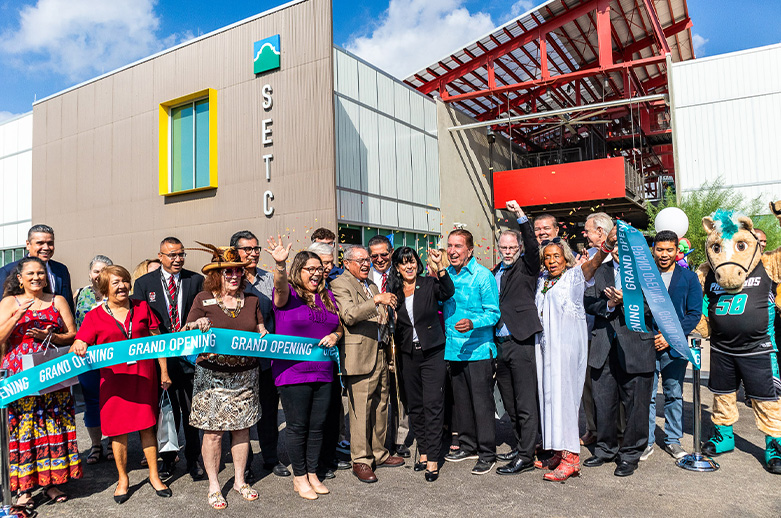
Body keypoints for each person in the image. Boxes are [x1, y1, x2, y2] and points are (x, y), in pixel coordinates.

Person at [70, 265, 172, 503]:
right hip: (114, 382)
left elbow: (160, 342)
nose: (122, 286)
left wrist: (164, 371)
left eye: (124, 281)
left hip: (144, 377)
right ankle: (123, 479)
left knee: (148, 427)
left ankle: (154, 476)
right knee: (118, 432)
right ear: (105, 288)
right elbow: (81, 339)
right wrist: (79, 344)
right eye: (115, 282)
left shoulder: (142, 307)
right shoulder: (94, 316)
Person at [184, 244, 268, 509]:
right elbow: (186, 329)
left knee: (242, 431)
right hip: (212, 378)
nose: (234, 276)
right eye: (227, 272)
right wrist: (197, 325)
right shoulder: (202, 299)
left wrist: (263, 335)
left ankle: (241, 481)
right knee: (214, 434)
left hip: (245, 378)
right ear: (216, 276)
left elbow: (261, 330)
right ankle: (214, 485)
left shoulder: (252, 301)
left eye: (238, 271)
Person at [266, 237, 343, 499]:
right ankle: (300, 478)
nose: (316, 273)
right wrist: (280, 265)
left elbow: (338, 325)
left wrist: (336, 336)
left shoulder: (327, 295)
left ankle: (312, 473)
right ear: (298, 270)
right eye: (310, 268)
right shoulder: (288, 293)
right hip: (293, 372)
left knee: (317, 425)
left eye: (319, 269)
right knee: (298, 426)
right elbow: (279, 287)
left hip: (323, 370)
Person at [534, 232, 615, 482]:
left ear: (566, 258)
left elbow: (592, 264)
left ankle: (572, 459)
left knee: (566, 402)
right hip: (546, 351)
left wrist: (606, 246)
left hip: (567, 352)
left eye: (556, 256)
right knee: (549, 400)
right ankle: (558, 451)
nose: (551, 261)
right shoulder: (543, 281)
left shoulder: (574, 277)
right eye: (547, 257)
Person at [0, 257, 81, 507]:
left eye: (41, 273)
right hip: (19, 376)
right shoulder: (9, 302)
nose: (37, 277)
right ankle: (23, 489)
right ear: (20, 279)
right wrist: (17, 315)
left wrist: (52, 336)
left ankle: (51, 483)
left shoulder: (58, 300)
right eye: (31, 273)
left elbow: (74, 334)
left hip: (51, 371)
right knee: (25, 429)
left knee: (53, 425)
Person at [131, 237, 205, 480]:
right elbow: (140, 321)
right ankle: (168, 458)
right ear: (160, 256)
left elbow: (204, 310)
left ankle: (194, 459)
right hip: (160, 358)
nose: (178, 259)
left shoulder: (195, 280)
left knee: (191, 410)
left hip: (189, 356)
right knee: (166, 411)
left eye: (181, 254)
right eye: (172, 255)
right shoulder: (144, 283)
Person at [584, 232, 656, 477]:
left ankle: (630, 454)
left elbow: (654, 306)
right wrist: (609, 305)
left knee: (636, 406)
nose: (618, 250)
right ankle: (605, 449)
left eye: (623, 247)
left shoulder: (646, 272)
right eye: (615, 246)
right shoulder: (600, 271)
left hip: (636, 347)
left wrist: (627, 301)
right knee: (603, 402)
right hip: (604, 347)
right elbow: (588, 301)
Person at [331, 245, 405, 483]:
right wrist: (376, 300)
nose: (366, 264)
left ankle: (380, 453)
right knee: (360, 409)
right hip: (359, 355)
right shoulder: (340, 284)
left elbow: (377, 314)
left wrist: (386, 312)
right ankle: (361, 460)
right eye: (361, 260)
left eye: (367, 260)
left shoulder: (371, 284)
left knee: (381, 405)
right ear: (347, 263)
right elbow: (349, 315)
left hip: (381, 352)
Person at [388, 246, 454, 482]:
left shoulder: (428, 284)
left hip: (432, 352)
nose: (409, 266)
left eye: (412, 261)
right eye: (404, 263)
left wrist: (441, 267)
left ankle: (434, 459)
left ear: (418, 263)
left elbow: (448, 292)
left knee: (433, 405)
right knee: (415, 406)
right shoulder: (393, 290)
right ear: (397, 267)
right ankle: (424, 451)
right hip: (407, 354)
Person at [231, 230, 291, 479]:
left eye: (256, 249)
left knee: (267, 411)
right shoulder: (228, 278)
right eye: (247, 249)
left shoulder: (269, 278)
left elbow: (280, 301)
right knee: (239, 413)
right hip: (237, 360)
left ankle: (270, 457)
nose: (253, 253)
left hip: (266, 358)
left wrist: (280, 265)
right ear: (234, 251)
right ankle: (242, 464)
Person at [640, 231, 703, 461]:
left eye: (669, 250)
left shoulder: (689, 278)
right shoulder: (644, 276)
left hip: (674, 346)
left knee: (674, 394)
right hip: (647, 344)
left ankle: (673, 440)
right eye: (659, 249)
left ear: (677, 251)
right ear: (653, 250)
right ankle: (646, 442)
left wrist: (669, 335)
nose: (664, 254)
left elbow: (694, 314)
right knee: (647, 396)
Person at [442, 229, 501, 475]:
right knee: (462, 403)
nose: (452, 251)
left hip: (478, 350)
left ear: (470, 250)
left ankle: (487, 452)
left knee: (482, 404)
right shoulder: (447, 277)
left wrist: (473, 323)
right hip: (454, 350)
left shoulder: (483, 276)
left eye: (458, 246)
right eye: (450, 246)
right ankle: (467, 445)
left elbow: (494, 313)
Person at [492, 201, 541, 475]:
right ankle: (524, 444)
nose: (508, 252)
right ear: (499, 248)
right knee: (509, 403)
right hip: (500, 345)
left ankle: (526, 456)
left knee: (524, 402)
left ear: (519, 248)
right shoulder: (494, 272)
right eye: (504, 248)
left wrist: (521, 217)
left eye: (513, 247)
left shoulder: (527, 266)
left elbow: (533, 247)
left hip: (521, 341)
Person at [307, 240, 352, 477]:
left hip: (333, 360)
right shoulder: (301, 290)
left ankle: (329, 455)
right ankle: (315, 463)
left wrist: (336, 334)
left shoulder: (331, 288)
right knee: (315, 416)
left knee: (333, 408)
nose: (327, 268)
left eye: (330, 262)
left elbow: (340, 322)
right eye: (323, 263)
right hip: (308, 361)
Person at [368, 234, 410, 459]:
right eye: (374, 255)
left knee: (399, 393)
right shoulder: (365, 276)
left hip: (398, 338)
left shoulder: (400, 273)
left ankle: (400, 438)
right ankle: (379, 440)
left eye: (384, 254)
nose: (379, 259)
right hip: (374, 341)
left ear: (391, 252)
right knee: (378, 394)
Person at [579, 212, 615, 446]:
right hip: (585, 331)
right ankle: (593, 428)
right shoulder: (584, 257)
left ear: (601, 232)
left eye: (588, 230)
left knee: (612, 386)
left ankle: (617, 432)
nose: (584, 233)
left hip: (610, 328)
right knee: (589, 386)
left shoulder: (618, 255)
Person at [74, 254, 113, 466]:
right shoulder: (80, 294)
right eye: (96, 271)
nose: (99, 274)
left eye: (104, 270)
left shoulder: (118, 293)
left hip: (111, 357)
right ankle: (96, 444)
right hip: (86, 357)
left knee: (113, 399)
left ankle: (112, 444)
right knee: (91, 402)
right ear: (90, 274)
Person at [0, 224, 75, 314]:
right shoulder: (8, 271)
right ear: (28, 245)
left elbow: (69, 306)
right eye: (40, 243)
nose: (46, 248)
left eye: (50, 243)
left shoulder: (61, 270)